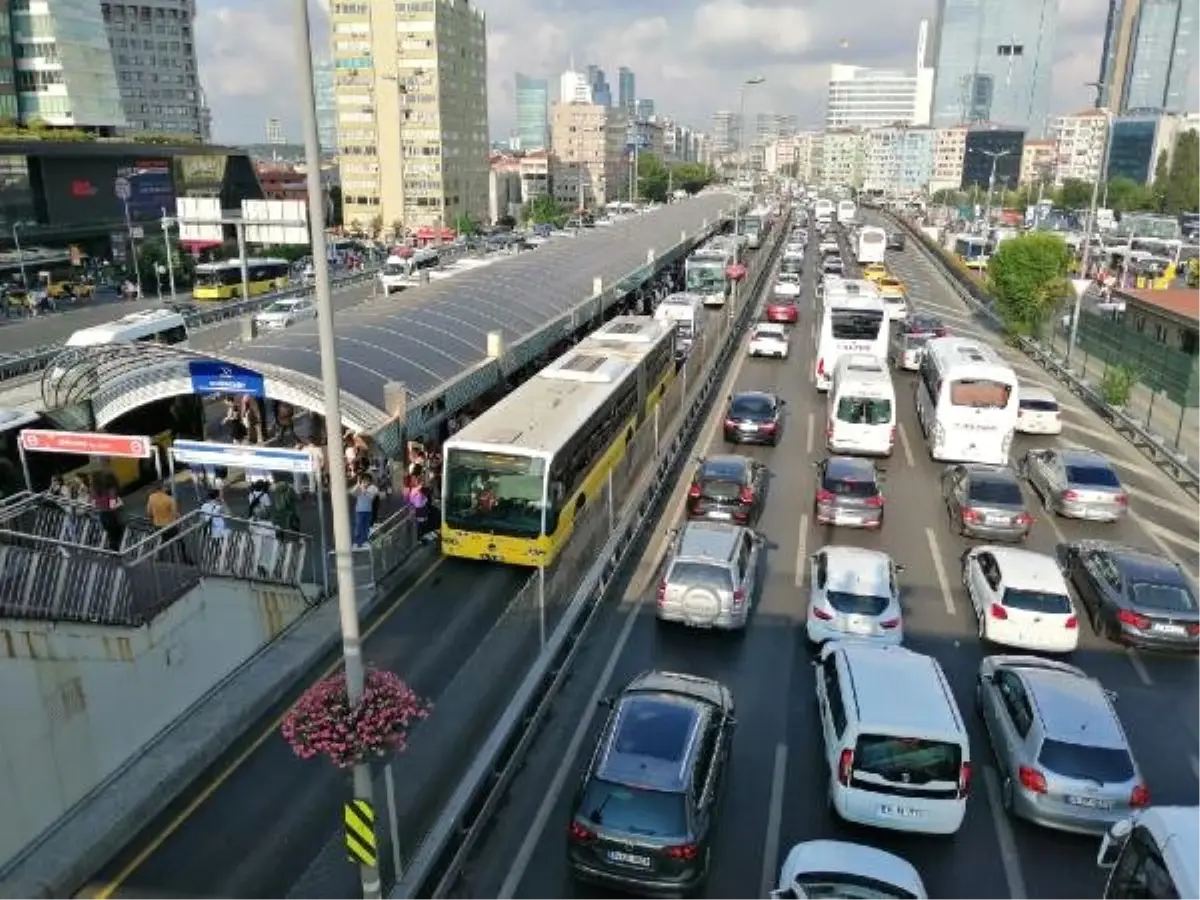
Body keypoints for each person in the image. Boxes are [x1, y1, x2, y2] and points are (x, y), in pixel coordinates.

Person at [147, 481, 193, 564]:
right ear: (163, 488)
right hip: (169, 525)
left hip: (157, 525)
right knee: (179, 541)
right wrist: (180, 522)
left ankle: (159, 557)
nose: (167, 488)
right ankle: (185, 559)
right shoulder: (169, 499)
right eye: (165, 487)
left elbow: (149, 513)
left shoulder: (151, 497)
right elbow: (175, 514)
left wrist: (152, 522)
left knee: (164, 540)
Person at [199, 488, 230, 570]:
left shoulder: (204, 506)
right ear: (217, 497)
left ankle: (209, 565)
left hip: (208, 531)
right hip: (219, 532)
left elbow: (202, 520)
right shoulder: (219, 507)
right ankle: (218, 566)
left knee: (210, 549)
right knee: (219, 550)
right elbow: (229, 514)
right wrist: (223, 501)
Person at [350, 473, 378, 547]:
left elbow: (371, 497)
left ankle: (365, 540)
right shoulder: (359, 487)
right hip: (359, 510)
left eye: (367, 480)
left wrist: (364, 490)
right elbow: (352, 493)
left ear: (370, 481)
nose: (366, 482)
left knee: (366, 526)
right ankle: (356, 541)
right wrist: (358, 484)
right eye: (364, 480)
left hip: (368, 510)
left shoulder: (373, 488)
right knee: (358, 526)